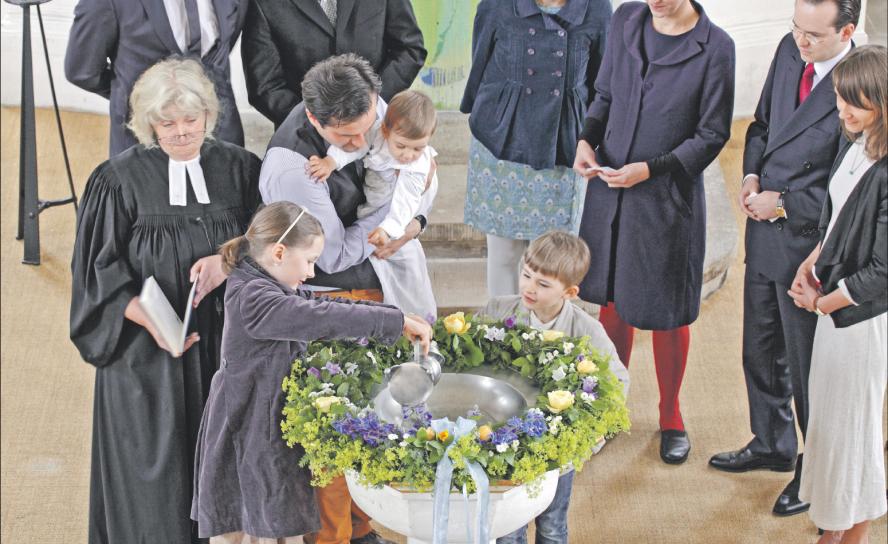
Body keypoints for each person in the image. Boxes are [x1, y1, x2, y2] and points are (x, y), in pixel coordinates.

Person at [69, 58, 261, 544]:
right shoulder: (116, 181)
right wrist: (150, 320)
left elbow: (275, 243)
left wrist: (229, 260)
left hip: (223, 347)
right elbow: (97, 277)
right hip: (145, 354)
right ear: (147, 124)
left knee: (222, 466)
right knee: (155, 481)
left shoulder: (240, 169)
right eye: (167, 122)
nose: (180, 133)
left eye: (190, 120)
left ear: (208, 116)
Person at [191, 202, 432, 544]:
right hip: (247, 425)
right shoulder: (253, 297)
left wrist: (395, 317)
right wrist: (393, 321)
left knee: (275, 521)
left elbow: (325, 306)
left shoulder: (265, 281)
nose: (313, 272)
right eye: (309, 261)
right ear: (278, 252)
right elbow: (320, 318)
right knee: (249, 527)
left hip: (262, 418)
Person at [260, 53, 426, 544]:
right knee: (334, 430)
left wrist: (413, 221)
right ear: (314, 119)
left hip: (378, 287)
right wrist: (387, 220)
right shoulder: (293, 169)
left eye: (367, 128)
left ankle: (361, 528)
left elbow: (416, 168)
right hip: (330, 299)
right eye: (345, 139)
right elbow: (330, 256)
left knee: (376, 416)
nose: (361, 144)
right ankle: (331, 537)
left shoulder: (379, 114)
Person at [708, 0, 858, 518]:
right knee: (760, 350)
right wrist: (750, 177)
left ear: (848, 31)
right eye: (796, 29)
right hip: (765, 233)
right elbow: (763, 126)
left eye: (814, 35)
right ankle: (772, 444)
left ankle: (814, 471)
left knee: (807, 367)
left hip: (811, 252)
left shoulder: (861, 89)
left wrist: (786, 203)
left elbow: (853, 191)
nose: (801, 42)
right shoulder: (789, 49)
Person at [573, 0, 734, 465]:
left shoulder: (717, 47)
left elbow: (712, 134)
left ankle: (671, 415)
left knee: (668, 310)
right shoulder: (626, 17)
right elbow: (603, 92)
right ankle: (610, 408)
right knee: (611, 299)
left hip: (666, 195)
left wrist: (651, 170)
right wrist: (587, 138)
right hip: (611, 187)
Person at [788, 45, 887, 544]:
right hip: (834, 314)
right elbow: (838, 219)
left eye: (857, 103)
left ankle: (850, 534)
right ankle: (838, 527)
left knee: (855, 431)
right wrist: (810, 264)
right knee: (830, 423)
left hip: (861, 322)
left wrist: (821, 302)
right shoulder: (857, 145)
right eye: (841, 98)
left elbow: (882, 274)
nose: (843, 111)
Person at [481, 230, 629, 544]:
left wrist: (590, 435)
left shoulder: (586, 330)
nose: (529, 288)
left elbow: (617, 382)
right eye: (526, 275)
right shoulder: (498, 310)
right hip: (507, 440)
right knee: (508, 528)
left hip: (557, 450)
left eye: (543, 284)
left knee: (551, 525)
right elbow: (472, 359)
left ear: (570, 291)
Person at [460, 0, 613, 298]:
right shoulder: (496, 4)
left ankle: (543, 340)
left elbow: (601, 82)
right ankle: (501, 335)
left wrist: (595, 137)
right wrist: (484, 112)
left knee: (550, 261)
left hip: (562, 146)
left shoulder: (596, 8)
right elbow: (480, 60)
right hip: (501, 143)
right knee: (503, 254)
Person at [307, 89, 439, 318]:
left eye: (418, 148)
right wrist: (330, 162)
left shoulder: (417, 166)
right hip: (371, 203)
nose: (408, 155)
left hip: (392, 211)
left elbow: (405, 203)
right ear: (386, 130)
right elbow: (355, 148)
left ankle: (420, 318)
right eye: (402, 146)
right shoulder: (376, 132)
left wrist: (389, 229)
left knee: (406, 266)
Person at [65, 0, 248, 156]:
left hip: (223, 137)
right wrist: (136, 97)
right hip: (144, 144)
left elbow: (225, 42)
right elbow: (82, 70)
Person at [241, 0, 427, 128]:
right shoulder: (263, 3)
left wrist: (371, 104)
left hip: (377, 136)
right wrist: (318, 122)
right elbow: (265, 87)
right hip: (306, 146)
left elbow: (409, 50)